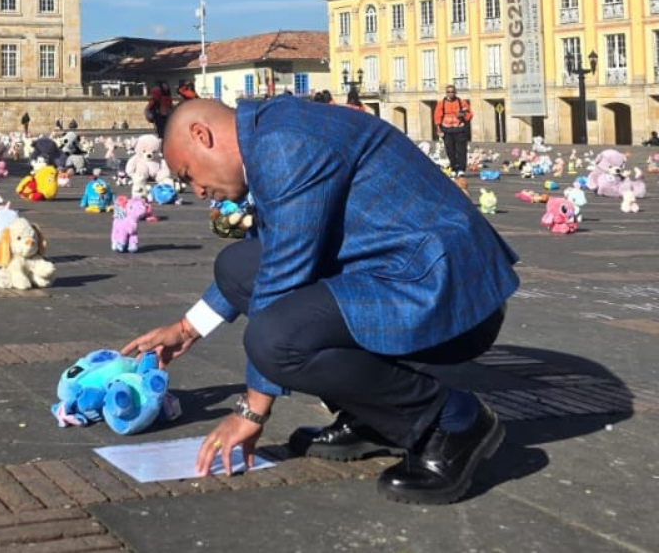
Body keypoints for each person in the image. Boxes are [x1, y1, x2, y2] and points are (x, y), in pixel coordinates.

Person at [122, 96, 519, 505]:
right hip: (397, 269)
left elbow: (283, 283)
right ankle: (374, 417)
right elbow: (269, 259)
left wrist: (252, 410)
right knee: (238, 266)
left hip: (445, 289)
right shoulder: (267, 133)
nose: (199, 190)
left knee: (275, 339)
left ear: (201, 135)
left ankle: (451, 421)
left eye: (189, 175)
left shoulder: (283, 144)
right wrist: (189, 328)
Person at [433, 85, 473, 176]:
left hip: (459, 129)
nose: (450, 93)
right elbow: (437, 116)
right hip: (447, 130)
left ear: (455, 92)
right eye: (448, 92)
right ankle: (454, 168)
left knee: (461, 150)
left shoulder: (461, 102)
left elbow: (469, 114)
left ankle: (461, 169)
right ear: (446, 93)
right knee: (450, 150)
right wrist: (438, 129)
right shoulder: (441, 103)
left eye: (452, 91)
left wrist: (462, 115)